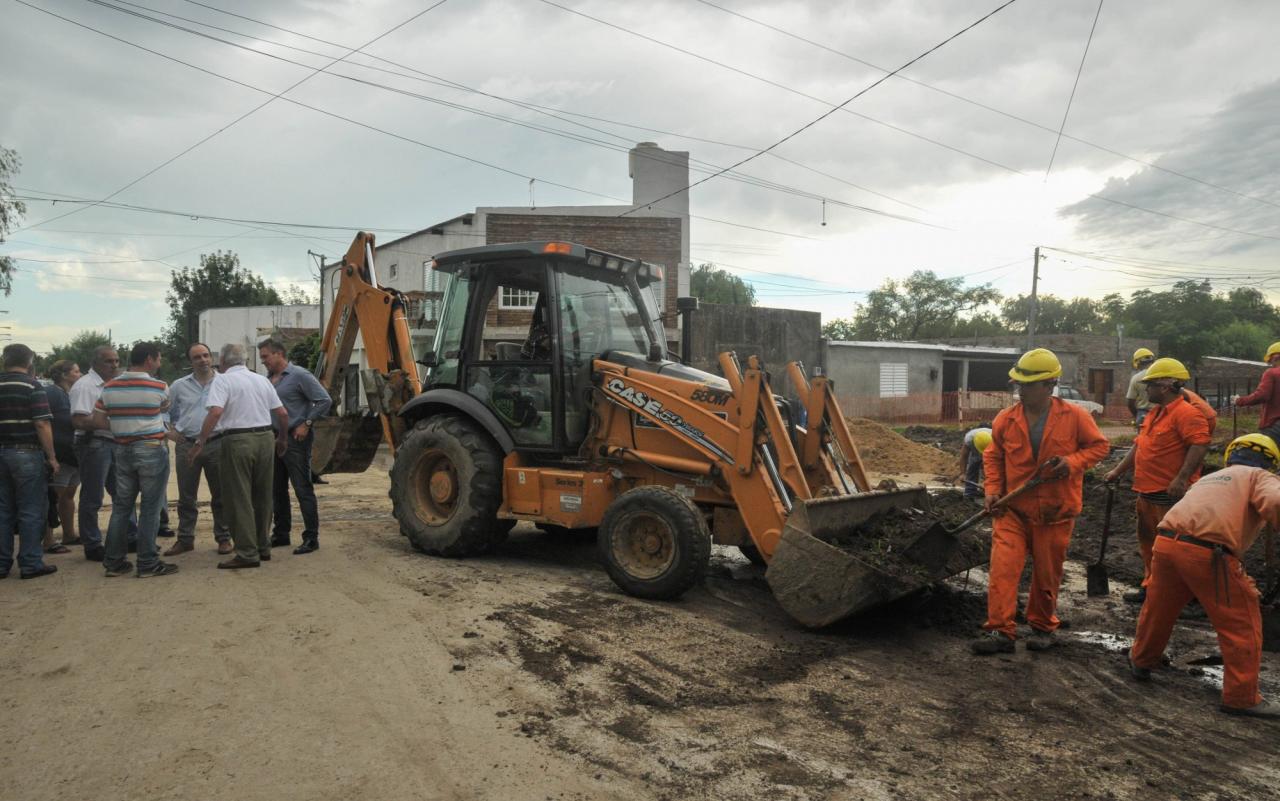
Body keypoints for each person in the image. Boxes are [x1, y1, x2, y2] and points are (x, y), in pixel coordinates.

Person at [1127, 433, 1280, 719]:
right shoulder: (1259, 476)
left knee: (1158, 609)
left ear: (1230, 457)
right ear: (1271, 464)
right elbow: (1275, 501)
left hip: (1167, 542)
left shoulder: (1213, 477)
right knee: (1241, 620)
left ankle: (1142, 659)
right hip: (1208, 552)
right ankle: (1242, 697)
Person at [972, 348, 1110, 655]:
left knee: (1047, 574)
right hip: (1012, 509)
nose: (1021, 390)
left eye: (1028, 384)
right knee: (1003, 569)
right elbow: (993, 454)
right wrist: (992, 489)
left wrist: (1072, 463)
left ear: (1049, 385)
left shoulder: (1075, 417)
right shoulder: (1006, 419)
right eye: (1018, 384)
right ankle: (1001, 631)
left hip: (1055, 511)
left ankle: (1043, 626)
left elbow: (1099, 448)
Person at [1104, 358, 1212, 604]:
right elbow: (1138, 446)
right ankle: (1151, 586)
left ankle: (1187, 597)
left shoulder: (1187, 414)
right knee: (1150, 546)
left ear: (1165, 385)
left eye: (1150, 384)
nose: (1146, 389)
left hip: (1169, 495)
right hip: (1147, 494)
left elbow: (1200, 444)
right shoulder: (1155, 414)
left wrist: (1181, 478)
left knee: (1177, 549)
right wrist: (1117, 471)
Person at [189, 343, 288, 570]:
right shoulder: (261, 380)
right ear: (244, 360)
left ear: (222, 361)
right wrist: (282, 439)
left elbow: (215, 412)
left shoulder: (223, 380)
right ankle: (263, 546)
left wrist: (199, 442)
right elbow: (282, 413)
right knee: (263, 496)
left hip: (237, 440)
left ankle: (246, 552)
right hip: (264, 437)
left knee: (238, 498)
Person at [92, 342, 178, 578]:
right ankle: (148, 563)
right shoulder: (159, 386)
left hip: (122, 448)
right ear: (150, 359)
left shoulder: (108, 387)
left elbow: (98, 421)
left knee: (121, 507)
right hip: (150, 448)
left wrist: (123, 428)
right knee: (150, 508)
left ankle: (114, 562)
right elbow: (164, 410)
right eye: (159, 359)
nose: (160, 363)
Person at [259, 339, 331, 555]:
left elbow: (324, 400)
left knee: (302, 488)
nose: (263, 361)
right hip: (273, 439)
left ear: (279, 354)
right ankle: (281, 534)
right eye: (262, 357)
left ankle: (311, 538)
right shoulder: (267, 380)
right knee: (277, 490)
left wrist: (306, 423)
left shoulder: (300, 375)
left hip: (296, 440)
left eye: (266, 357)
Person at [164, 343, 232, 556]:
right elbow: (165, 412)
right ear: (190, 361)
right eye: (197, 357)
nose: (202, 360)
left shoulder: (225, 382)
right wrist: (170, 432)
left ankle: (223, 538)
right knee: (186, 496)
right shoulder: (178, 386)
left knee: (221, 494)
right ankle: (185, 539)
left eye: (205, 355)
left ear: (211, 357)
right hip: (187, 445)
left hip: (217, 443)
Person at [0, 344, 59, 580]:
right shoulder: (32, 386)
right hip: (27, 453)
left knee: (3, 510)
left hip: (1, 453)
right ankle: (31, 562)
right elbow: (42, 424)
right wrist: (52, 457)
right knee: (31, 509)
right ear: (30, 361)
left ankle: (2, 563)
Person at [70, 345, 124, 562]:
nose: (114, 365)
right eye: (109, 361)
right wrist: (112, 425)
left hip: (113, 444)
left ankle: (127, 536)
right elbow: (78, 420)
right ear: (95, 363)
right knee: (93, 497)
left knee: (122, 493)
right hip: (94, 444)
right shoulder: (85, 386)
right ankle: (92, 544)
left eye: (117, 361)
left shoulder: (113, 384)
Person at [42, 359, 81, 553]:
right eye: (76, 371)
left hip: (73, 454)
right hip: (60, 454)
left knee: (69, 494)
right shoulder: (52, 393)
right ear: (64, 375)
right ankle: (48, 540)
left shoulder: (72, 394)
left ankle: (69, 534)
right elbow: (44, 421)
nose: (79, 375)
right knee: (53, 497)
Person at [1235, 341, 1280, 442]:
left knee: (1270, 455)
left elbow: (1262, 395)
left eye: (1271, 361)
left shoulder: (1272, 373)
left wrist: (1239, 401)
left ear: (1276, 357)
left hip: (1275, 425)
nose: (1271, 364)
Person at [959, 426, 992, 500]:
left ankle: (990, 492)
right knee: (972, 467)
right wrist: (962, 473)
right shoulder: (969, 439)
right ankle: (969, 493)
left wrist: (990, 482)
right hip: (976, 452)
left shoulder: (996, 437)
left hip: (992, 452)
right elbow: (963, 457)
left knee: (990, 469)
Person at [1126, 348, 1156, 428]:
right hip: (1163, 413)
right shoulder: (1161, 374)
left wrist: (1136, 415)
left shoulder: (1136, 378)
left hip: (1143, 413)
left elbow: (1130, 403)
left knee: (1143, 439)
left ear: (1137, 362)